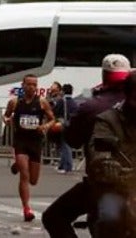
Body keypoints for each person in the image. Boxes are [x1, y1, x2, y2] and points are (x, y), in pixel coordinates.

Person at [42, 54, 131, 237]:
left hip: (104, 184)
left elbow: (73, 139)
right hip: (109, 179)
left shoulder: (94, 107)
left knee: (54, 217)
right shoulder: (106, 114)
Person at [87, 70, 136, 236]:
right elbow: (99, 150)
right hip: (116, 186)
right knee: (109, 219)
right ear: (127, 95)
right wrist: (106, 163)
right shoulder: (108, 119)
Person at [3, 74, 56, 221]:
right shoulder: (14, 102)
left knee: (33, 180)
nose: (32, 87)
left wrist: (45, 126)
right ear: (23, 85)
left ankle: (18, 165)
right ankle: (26, 209)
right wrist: (7, 120)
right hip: (21, 141)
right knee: (24, 177)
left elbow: (52, 119)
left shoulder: (42, 102)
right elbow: (6, 116)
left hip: (35, 142)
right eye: (29, 84)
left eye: (34, 84)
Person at [53, 84, 79, 174]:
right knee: (65, 145)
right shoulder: (74, 102)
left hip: (63, 125)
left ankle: (67, 167)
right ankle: (62, 165)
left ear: (63, 91)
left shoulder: (62, 101)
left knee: (65, 146)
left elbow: (55, 111)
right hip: (73, 126)